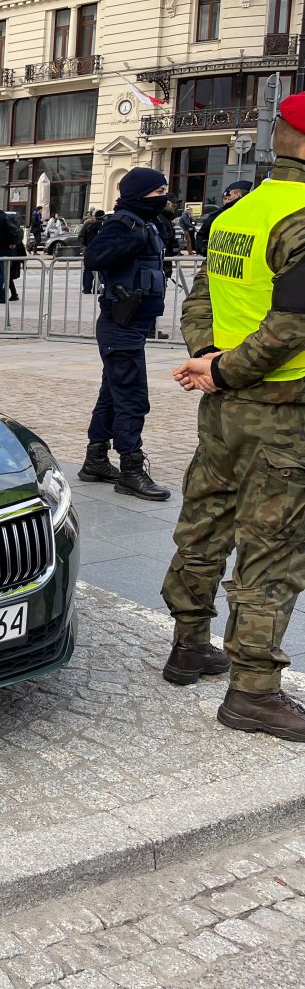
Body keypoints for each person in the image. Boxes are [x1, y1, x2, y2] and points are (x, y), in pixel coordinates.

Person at [161, 98, 305, 740]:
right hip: (283, 410)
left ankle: (190, 645)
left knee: (206, 521)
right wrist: (224, 369)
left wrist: (206, 358)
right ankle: (253, 691)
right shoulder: (299, 220)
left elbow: (200, 299)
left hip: (224, 413)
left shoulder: (238, 214)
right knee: (273, 547)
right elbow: (293, 326)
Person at [77, 167, 172, 501]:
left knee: (113, 394)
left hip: (131, 325)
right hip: (121, 325)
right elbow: (93, 257)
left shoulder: (145, 222)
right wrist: (133, 240)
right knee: (132, 397)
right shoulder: (125, 223)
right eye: (159, 191)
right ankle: (130, 470)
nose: (164, 196)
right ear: (140, 193)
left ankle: (96, 460)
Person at [193, 181, 253, 254]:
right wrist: (203, 248)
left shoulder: (249, 215)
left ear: (238, 195)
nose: (227, 201)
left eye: (229, 197)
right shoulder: (217, 215)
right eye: (225, 198)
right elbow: (202, 235)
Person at [79, 209, 106, 292]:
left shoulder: (89, 226)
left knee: (88, 270)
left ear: (94, 216)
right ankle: (97, 288)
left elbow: (82, 237)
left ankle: (87, 288)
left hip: (90, 250)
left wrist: (85, 246)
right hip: (102, 251)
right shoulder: (105, 226)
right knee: (101, 270)